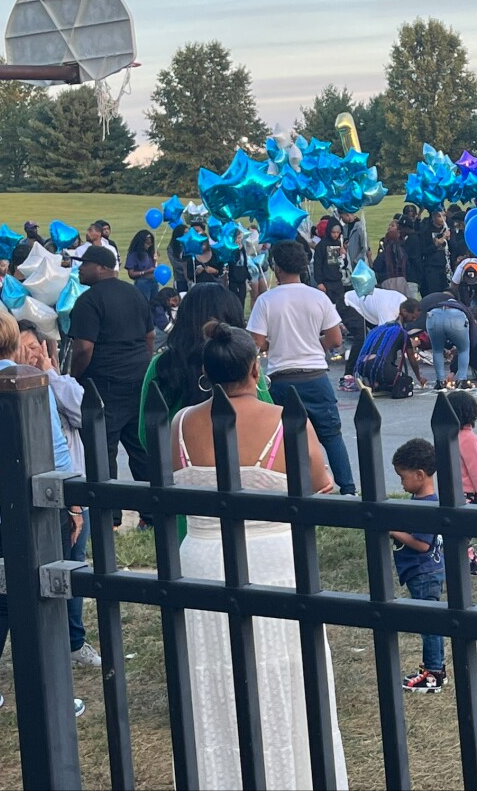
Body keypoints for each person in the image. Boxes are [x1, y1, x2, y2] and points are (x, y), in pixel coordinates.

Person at [171, 322, 346, 787]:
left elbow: (176, 486)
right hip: (270, 555)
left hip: (202, 556)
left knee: (212, 670)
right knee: (284, 666)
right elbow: (319, 481)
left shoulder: (182, 423)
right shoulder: (284, 418)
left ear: (208, 373)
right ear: (256, 367)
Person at [0, 310, 86, 717]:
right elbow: (53, 442)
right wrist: (73, 500)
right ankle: (54, 691)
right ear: (13, 338)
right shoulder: (30, 380)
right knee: (44, 595)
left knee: (2, 598)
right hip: (33, 501)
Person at [17, 319, 100, 669]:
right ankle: (45, 641)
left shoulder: (56, 382)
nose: (32, 355)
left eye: (36, 347)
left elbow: (85, 412)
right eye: (24, 349)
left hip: (70, 486)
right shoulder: (9, 386)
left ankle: (73, 640)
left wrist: (50, 373)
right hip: (30, 489)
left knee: (72, 564)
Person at [247, 240, 356, 496]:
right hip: (315, 374)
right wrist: (316, 344)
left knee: (286, 437)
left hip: (281, 377)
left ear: (277, 267)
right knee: (330, 434)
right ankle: (347, 487)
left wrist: (273, 345)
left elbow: (256, 343)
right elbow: (335, 339)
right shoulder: (318, 297)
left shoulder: (266, 301)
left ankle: (295, 485)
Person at [68, 245, 154, 529]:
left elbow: (83, 348)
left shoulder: (88, 301)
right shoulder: (134, 293)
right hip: (139, 379)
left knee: (102, 451)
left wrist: (72, 376)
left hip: (104, 383)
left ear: (102, 267)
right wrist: (143, 364)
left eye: (85, 264)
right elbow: (149, 335)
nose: (79, 268)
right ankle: (151, 515)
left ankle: (110, 518)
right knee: (141, 449)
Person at [139, 282, 269, 452]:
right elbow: (269, 414)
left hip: (180, 467)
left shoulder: (162, 364)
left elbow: (146, 434)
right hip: (245, 458)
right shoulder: (246, 359)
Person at [389, 438, 448, 694]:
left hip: (424, 572)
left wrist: (392, 530)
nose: (401, 482)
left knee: (429, 623)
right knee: (429, 621)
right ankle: (433, 670)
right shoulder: (429, 501)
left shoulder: (424, 506)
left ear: (420, 474)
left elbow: (422, 544)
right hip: (427, 571)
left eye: (403, 477)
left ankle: (433, 672)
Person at [449, 390, 477, 577]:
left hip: (453, 489)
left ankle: (466, 555)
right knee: (465, 530)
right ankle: (468, 562)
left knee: (458, 528)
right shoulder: (469, 439)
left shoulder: (449, 436)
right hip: (469, 492)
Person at [421, 285, 477, 392]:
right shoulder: (460, 305)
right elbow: (472, 327)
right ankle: (461, 380)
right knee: (464, 349)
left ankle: (440, 381)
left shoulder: (436, 303)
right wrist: (472, 344)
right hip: (456, 318)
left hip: (433, 316)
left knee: (437, 350)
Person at [313, 218, 354, 361]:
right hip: (326, 283)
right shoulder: (321, 246)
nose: (335, 235)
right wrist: (319, 282)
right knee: (327, 312)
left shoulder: (338, 245)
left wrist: (344, 253)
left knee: (340, 310)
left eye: (338, 232)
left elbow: (343, 264)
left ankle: (341, 340)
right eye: (333, 232)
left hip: (338, 282)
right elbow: (317, 265)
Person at [372, 219, 411, 296]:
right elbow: (408, 267)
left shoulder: (384, 253)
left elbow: (376, 267)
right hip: (402, 282)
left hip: (387, 282)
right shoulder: (402, 252)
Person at [124, 230, 159, 306]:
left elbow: (154, 267)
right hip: (142, 282)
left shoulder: (150, 252)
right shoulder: (133, 254)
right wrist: (146, 272)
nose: (149, 245)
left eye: (150, 243)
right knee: (144, 304)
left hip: (154, 281)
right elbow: (131, 274)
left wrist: (155, 260)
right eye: (147, 243)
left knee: (155, 305)